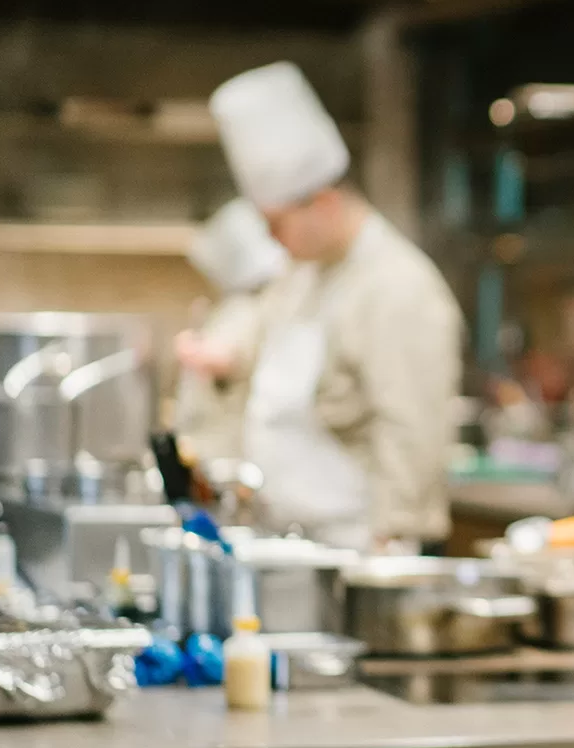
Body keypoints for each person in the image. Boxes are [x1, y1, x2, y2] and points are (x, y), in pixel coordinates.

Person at [209, 61, 463, 553]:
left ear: (322, 203)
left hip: (358, 545)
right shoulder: (303, 275)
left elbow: (414, 428)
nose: (271, 241)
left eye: (275, 224)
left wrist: (391, 536)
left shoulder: (399, 287)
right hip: (290, 536)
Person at [172, 198, 289, 460]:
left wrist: (193, 349)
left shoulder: (254, 307)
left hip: (225, 452)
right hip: (209, 447)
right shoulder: (242, 304)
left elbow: (228, 359)